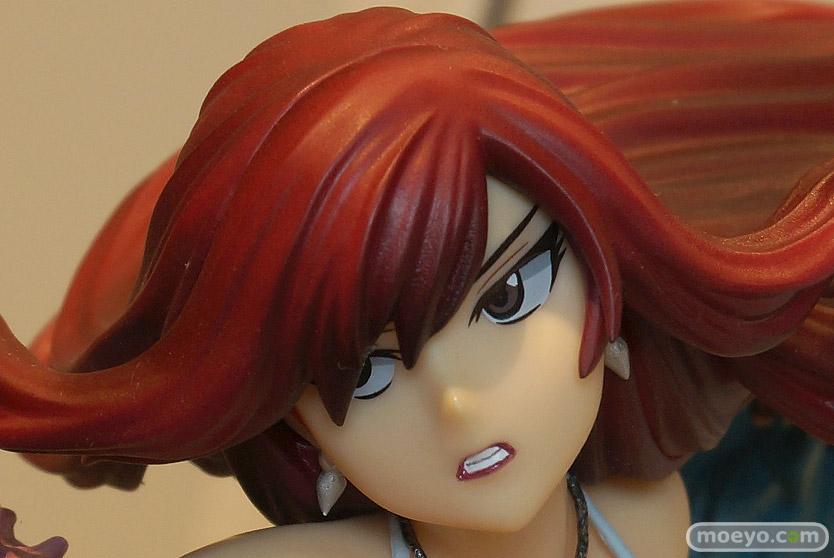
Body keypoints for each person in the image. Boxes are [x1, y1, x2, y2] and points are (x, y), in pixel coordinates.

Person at [0, 3, 832, 556]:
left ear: (606, 277)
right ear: (299, 427)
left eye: (506, 298)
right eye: (367, 373)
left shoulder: (649, 520)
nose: (457, 403)